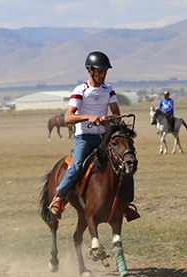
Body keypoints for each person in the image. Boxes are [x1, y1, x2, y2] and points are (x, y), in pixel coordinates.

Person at [48, 51, 139, 222]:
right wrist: (88, 116)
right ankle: (59, 199)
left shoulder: (109, 91)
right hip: (84, 137)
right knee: (76, 166)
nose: (103, 75)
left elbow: (117, 116)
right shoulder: (80, 90)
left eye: (105, 72)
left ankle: (127, 205)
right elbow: (68, 118)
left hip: (104, 138)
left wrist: (108, 119)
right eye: (100, 71)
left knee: (126, 163)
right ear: (90, 71)